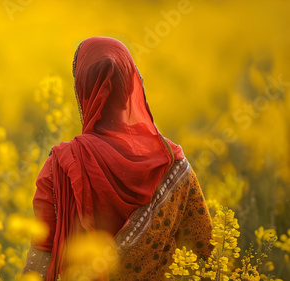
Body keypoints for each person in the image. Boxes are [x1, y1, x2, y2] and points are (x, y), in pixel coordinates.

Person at [22, 37, 212, 280]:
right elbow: (204, 253)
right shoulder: (172, 163)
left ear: (82, 90)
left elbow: (40, 257)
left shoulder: (61, 165)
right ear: (131, 87)